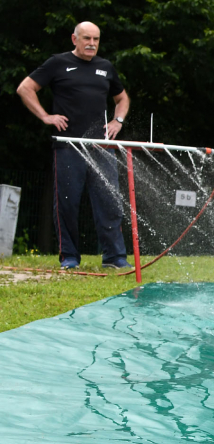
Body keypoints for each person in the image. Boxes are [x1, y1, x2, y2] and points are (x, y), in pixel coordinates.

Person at [16, 21, 132, 270]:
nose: (92, 44)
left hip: (101, 146)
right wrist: (46, 116)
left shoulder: (105, 67)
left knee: (109, 201)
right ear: (74, 39)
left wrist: (117, 121)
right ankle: (69, 257)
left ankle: (114, 257)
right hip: (69, 145)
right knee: (67, 203)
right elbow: (25, 88)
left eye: (96, 39)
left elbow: (122, 98)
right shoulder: (57, 63)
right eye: (87, 38)